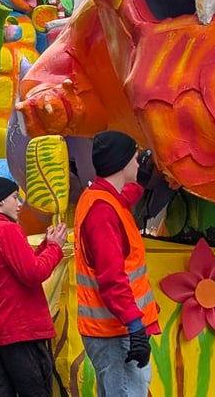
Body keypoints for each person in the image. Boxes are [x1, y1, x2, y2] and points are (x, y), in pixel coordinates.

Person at [74, 131, 160, 397]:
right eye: (135, 158)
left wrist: (143, 177)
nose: (137, 163)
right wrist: (135, 327)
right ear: (122, 163)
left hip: (113, 330)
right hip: (116, 332)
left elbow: (124, 198)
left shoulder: (100, 197)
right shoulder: (103, 213)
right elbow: (112, 279)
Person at [0, 176, 66, 397]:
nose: (19, 204)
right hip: (20, 332)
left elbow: (17, 268)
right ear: (0, 201)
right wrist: (55, 248)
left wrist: (45, 247)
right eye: (15, 197)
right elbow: (33, 273)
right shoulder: (8, 230)